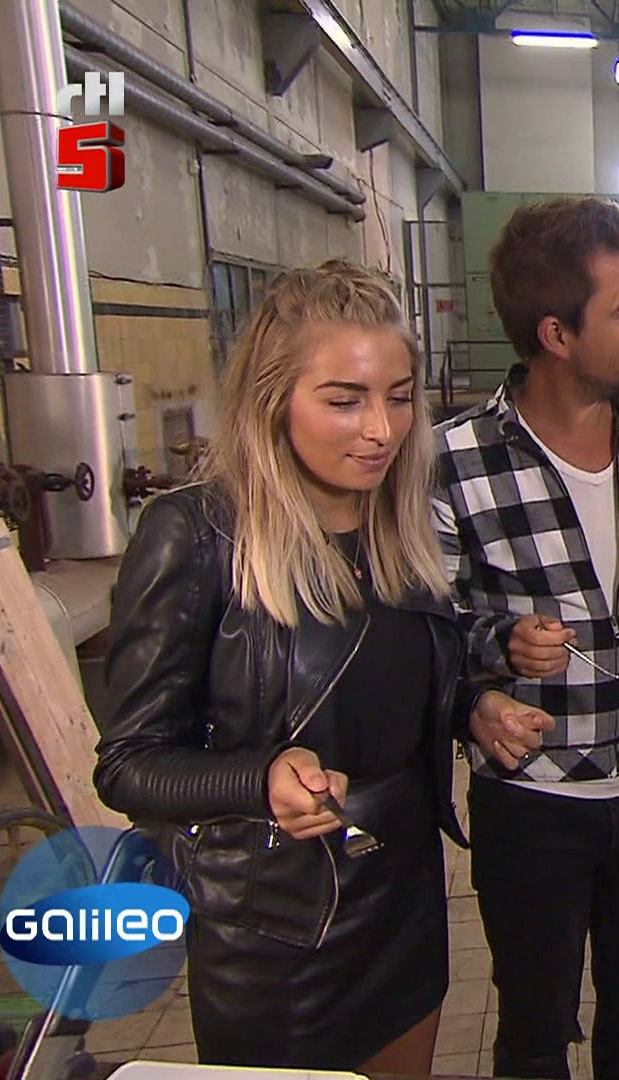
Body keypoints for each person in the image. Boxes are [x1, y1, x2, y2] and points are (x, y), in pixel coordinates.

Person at [95, 260, 472, 1072]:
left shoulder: (404, 526)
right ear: (273, 400)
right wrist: (259, 778)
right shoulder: (197, 536)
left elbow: (400, 690)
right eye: (344, 401)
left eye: (399, 397)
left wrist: (480, 704)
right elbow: (128, 765)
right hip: (278, 931)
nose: (381, 430)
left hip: (403, 900)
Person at [433, 196, 619, 1080]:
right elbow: (427, 633)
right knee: (535, 1025)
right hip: (532, 807)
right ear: (556, 335)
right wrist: (493, 654)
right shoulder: (453, 462)